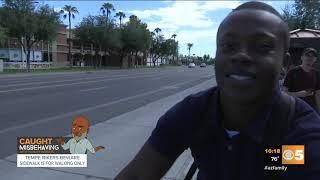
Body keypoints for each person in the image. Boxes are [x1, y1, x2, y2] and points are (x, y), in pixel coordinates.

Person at [115, 1, 320, 180]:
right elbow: (137, 175)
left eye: (262, 46)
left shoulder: (302, 136)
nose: (241, 56)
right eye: (229, 46)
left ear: (284, 64)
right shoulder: (192, 113)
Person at [283, 48, 320, 113]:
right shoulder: (292, 72)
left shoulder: (316, 73)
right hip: (295, 109)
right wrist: (298, 94)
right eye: (307, 55)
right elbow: (283, 93)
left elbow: (317, 94)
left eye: (312, 56)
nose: (310, 57)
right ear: (302, 57)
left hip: (311, 109)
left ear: (315, 59)